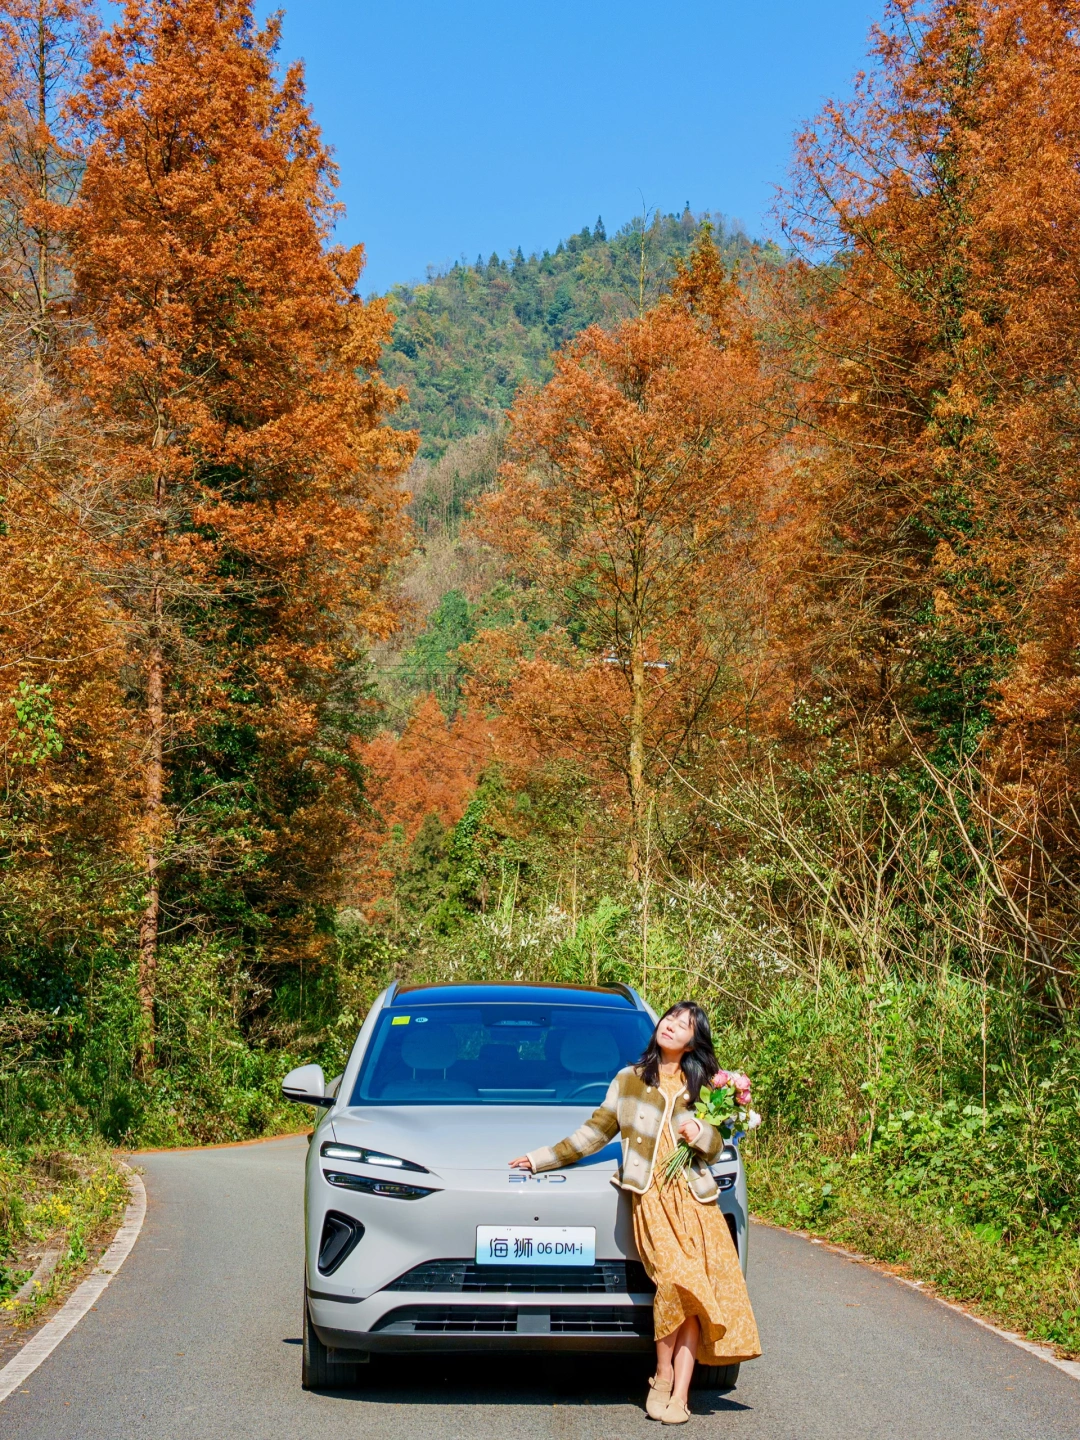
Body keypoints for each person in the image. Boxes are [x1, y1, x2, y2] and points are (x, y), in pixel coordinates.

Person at [509, 1001, 760, 1425]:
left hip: (695, 1200)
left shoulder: (705, 1086)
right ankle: (661, 1375)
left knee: (695, 1295)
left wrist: (702, 1133)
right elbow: (593, 1133)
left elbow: (718, 1147)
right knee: (677, 1283)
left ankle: (680, 1395)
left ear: (694, 1041)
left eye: (684, 1025)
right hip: (652, 1199)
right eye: (669, 1019)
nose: (671, 1026)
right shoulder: (628, 1080)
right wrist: (541, 1159)